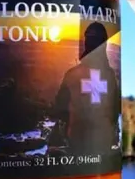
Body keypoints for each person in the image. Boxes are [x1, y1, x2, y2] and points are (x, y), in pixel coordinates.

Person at [51, 21, 121, 155]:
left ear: (86, 43)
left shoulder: (72, 75)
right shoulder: (110, 75)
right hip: (103, 143)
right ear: (104, 45)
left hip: (77, 142)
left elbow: (59, 109)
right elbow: (114, 112)